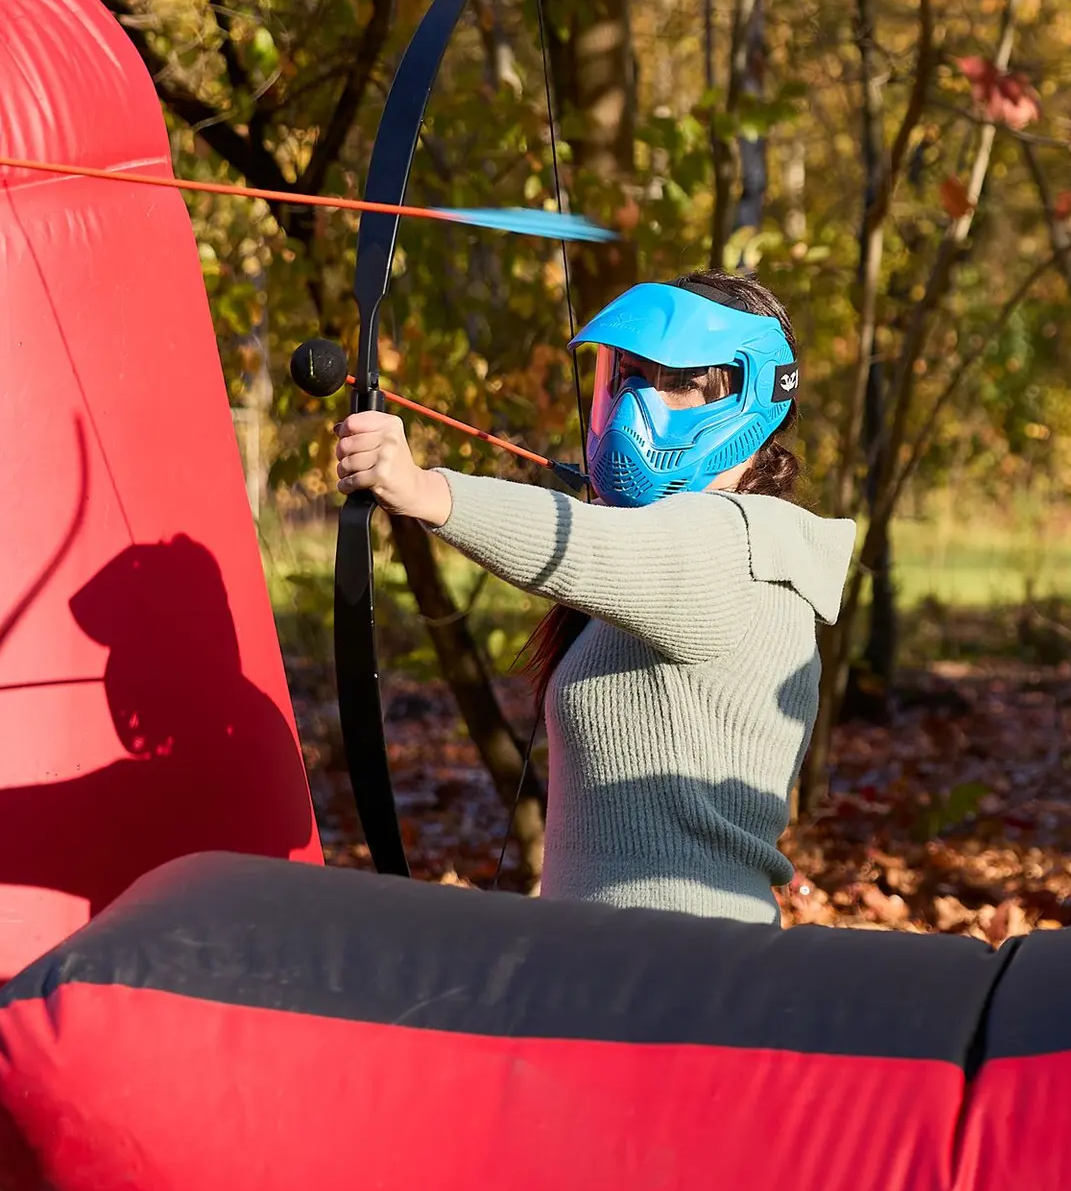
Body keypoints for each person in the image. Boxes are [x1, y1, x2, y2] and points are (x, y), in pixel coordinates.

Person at [333, 271, 855, 926]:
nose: (643, 400)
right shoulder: (669, 554)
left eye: (680, 381)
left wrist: (421, 488)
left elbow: (581, 544)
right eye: (630, 374)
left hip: (683, 976)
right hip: (608, 966)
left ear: (750, 394)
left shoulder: (741, 546)